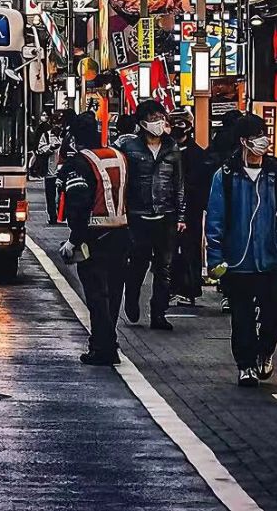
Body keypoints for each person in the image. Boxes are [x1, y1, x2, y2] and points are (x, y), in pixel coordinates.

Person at [205, 112, 277, 386]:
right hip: (238, 260)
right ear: (244, 141)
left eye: (264, 134)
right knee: (242, 316)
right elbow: (215, 218)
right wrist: (215, 257)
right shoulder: (226, 175)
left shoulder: (275, 172)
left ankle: (265, 352)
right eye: (257, 136)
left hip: (270, 258)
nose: (263, 141)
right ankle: (245, 365)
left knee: (275, 312)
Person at [59, 112, 130, 366]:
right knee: (113, 293)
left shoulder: (79, 163)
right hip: (122, 234)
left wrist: (73, 241)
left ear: (74, 138)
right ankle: (109, 342)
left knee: (97, 296)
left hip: (94, 237)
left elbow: (77, 206)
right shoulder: (119, 158)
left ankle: (102, 348)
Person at [118, 99, 184, 330]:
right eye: (154, 119)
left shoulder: (171, 147)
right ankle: (132, 299)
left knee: (164, 267)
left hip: (166, 215)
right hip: (138, 214)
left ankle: (159, 313)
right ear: (142, 123)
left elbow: (179, 183)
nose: (159, 123)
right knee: (138, 263)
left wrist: (181, 216)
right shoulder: (129, 148)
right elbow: (123, 182)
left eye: (161, 118)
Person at [169, 109, 210, 306]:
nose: (177, 127)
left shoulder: (197, 155)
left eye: (181, 123)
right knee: (168, 250)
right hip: (168, 209)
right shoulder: (166, 152)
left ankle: (189, 287)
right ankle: (171, 287)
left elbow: (201, 185)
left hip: (191, 210)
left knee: (189, 248)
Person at [35, 116, 63, 224]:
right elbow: (40, 149)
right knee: (50, 196)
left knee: (62, 195)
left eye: (59, 123)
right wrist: (50, 147)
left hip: (63, 171)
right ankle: (52, 217)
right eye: (55, 123)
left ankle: (62, 214)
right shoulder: (46, 135)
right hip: (50, 171)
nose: (57, 126)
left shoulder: (66, 135)